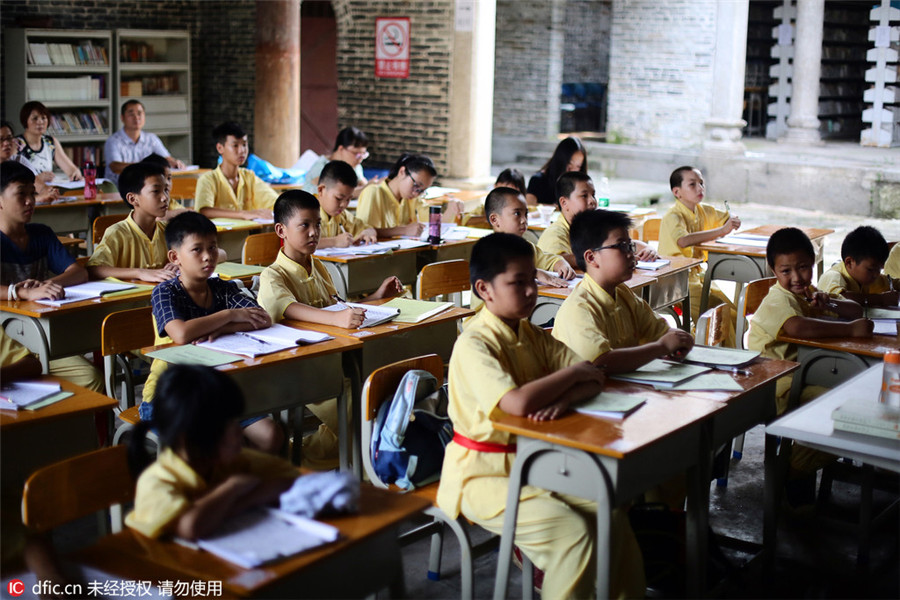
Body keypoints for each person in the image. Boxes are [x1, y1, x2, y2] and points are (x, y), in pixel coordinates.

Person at [436, 233, 644, 600]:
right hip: (483, 475)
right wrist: (572, 377)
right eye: (518, 283)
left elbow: (593, 375)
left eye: (533, 279)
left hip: (533, 461)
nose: (532, 291)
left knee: (608, 509)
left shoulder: (530, 334)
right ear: (484, 289)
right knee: (573, 536)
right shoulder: (475, 343)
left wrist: (565, 398)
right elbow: (516, 403)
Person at [257, 191, 403, 469]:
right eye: (304, 225)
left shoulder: (319, 266)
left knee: (378, 388)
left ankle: (302, 457)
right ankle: (360, 469)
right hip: (299, 368)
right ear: (281, 230)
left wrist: (375, 298)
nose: (314, 233)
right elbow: (290, 309)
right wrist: (338, 320)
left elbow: (337, 308)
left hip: (333, 357)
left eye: (318, 225)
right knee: (358, 405)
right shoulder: (273, 275)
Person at [141, 212, 282, 454]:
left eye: (213, 248)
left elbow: (262, 318)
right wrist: (227, 316)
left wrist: (223, 327)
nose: (208, 257)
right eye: (197, 250)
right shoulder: (165, 292)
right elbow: (182, 334)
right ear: (175, 257)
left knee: (271, 435)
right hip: (169, 396)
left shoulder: (221, 287)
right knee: (213, 444)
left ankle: (246, 488)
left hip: (218, 391)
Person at [748, 228, 872, 499]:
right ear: (773, 270)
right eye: (786, 271)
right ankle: (791, 471)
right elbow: (796, 327)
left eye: (803, 268)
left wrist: (831, 305)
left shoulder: (810, 293)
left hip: (806, 377)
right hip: (777, 385)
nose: (796, 278)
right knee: (846, 413)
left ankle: (796, 473)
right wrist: (850, 331)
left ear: (814, 262)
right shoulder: (777, 300)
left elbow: (855, 310)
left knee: (859, 403)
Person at [126, 365, 298, 540]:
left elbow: (289, 480)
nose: (239, 431)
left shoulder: (235, 461)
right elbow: (191, 527)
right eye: (227, 424)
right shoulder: (157, 481)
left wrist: (233, 504)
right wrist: (233, 487)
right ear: (191, 437)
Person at [0, 161, 102, 392]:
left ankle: (88, 429)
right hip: (7, 340)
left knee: (93, 377)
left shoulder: (41, 234)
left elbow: (78, 272)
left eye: (32, 194)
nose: (30, 201)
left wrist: (46, 285)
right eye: (20, 194)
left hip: (43, 334)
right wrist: (23, 291)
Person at [552, 209, 693, 371]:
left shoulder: (623, 294)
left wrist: (680, 339)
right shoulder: (578, 308)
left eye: (631, 246)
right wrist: (661, 347)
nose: (632, 254)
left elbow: (661, 331)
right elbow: (601, 362)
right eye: (621, 246)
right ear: (591, 258)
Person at [658, 166, 739, 343]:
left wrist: (733, 219)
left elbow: (726, 218)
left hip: (696, 275)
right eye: (692, 184)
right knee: (717, 315)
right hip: (674, 279)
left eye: (701, 183)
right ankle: (705, 345)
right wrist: (722, 230)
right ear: (677, 192)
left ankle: (706, 341)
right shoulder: (673, 216)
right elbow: (683, 241)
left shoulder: (703, 210)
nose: (700, 188)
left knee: (733, 312)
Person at [537, 171, 657, 268]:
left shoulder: (593, 228)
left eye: (593, 195)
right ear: (564, 202)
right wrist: (608, 259)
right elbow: (558, 259)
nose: (592, 201)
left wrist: (647, 249)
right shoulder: (555, 233)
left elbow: (622, 243)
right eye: (584, 196)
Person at [87, 162, 178, 283]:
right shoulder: (117, 233)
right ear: (133, 199)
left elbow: (189, 256)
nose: (165, 197)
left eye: (166, 190)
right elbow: (94, 269)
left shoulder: (169, 231)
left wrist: (180, 265)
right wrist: (139, 272)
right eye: (156, 191)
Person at [356, 153, 462, 235]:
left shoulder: (412, 198)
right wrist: (404, 230)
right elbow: (363, 231)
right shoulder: (373, 192)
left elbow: (436, 224)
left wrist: (451, 208)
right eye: (416, 185)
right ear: (402, 172)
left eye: (422, 191)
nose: (416, 193)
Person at [194, 121, 278, 220]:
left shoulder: (249, 177)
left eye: (244, 144)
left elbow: (274, 200)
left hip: (247, 235)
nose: (242, 150)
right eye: (235, 145)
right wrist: (243, 214)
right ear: (220, 148)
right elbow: (204, 211)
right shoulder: (208, 179)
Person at [104, 99, 185, 184]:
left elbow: (166, 159)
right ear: (122, 117)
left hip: (145, 188)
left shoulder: (151, 139)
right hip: (119, 187)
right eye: (131, 114)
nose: (136, 117)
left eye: (139, 113)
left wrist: (174, 162)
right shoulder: (113, 141)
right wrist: (145, 167)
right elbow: (115, 167)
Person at [817, 225, 898, 307]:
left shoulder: (869, 277)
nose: (876, 275)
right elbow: (839, 299)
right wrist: (880, 299)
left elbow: (895, 283)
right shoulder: (833, 275)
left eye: (879, 269)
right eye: (871, 269)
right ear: (849, 263)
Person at [315, 160, 377, 249]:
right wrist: (334, 241)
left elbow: (368, 228)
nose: (344, 205)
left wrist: (368, 233)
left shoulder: (342, 215)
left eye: (348, 199)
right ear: (321, 190)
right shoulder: (305, 211)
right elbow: (295, 243)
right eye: (339, 198)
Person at [16, 101, 82, 180]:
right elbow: (10, 177)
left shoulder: (50, 142)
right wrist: (37, 178)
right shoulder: (16, 144)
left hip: (47, 189)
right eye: (35, 118)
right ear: (25, 120)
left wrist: (75, 174)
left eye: (43, 118)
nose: (40, 122)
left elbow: (71, 169)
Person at [302, 126, 375, 196]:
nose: (360, 158)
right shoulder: (322, 167)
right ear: (341, 149)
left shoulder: (355, 166)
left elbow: (364, 184)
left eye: (363, 154)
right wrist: (365, 188)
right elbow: (340, 193)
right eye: (356, 154)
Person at [0, 120, 58, 204]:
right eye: (1, 139)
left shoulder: (19, 160)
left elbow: (39, 186)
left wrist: (49, 192)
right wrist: (38, 198)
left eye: (9, 138)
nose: (6, 143)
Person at [526, 136, 587, 206]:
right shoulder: (538, 180)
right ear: (560, 161)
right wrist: (556, 208)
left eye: (578, 166)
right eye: (569, 165)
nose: (573, 170)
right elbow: (530, 205)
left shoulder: (578, 183)